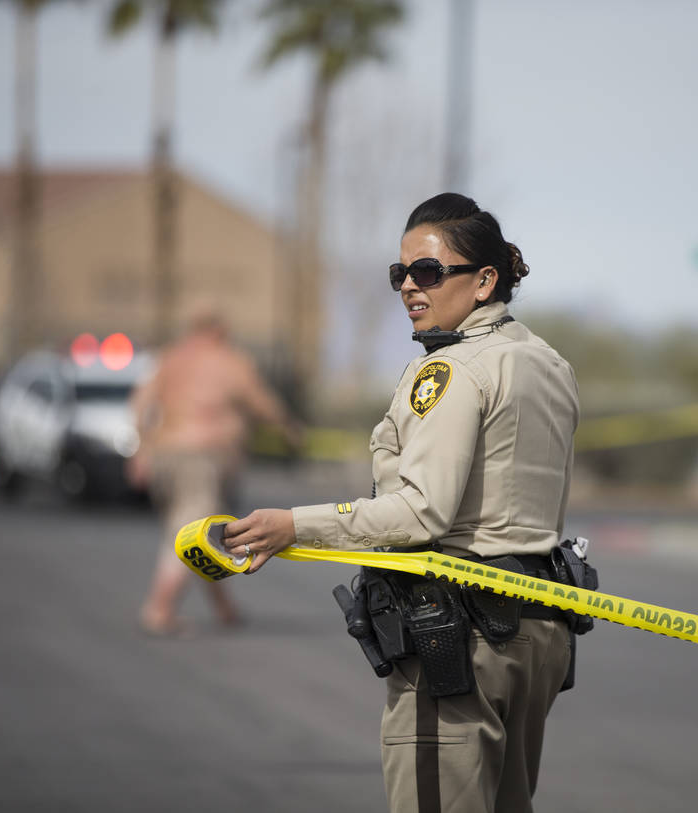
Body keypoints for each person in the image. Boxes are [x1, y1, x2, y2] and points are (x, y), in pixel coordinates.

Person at [221, 193, 583, 812]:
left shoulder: (451, 370)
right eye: (401, 273)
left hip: (463, 637)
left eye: (429, 272)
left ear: (485, 280)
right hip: (538, 631)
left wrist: (293, 527)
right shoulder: (549, 363)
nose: (410, 287)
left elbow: (420, 513)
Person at [129, 308, 301, 636]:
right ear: (218, 332)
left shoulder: (169, 358)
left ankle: (224, 608)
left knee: (208, 529)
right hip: (202, 459)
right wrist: (290, 427)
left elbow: (140, 402)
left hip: (165, 455)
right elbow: (260, 401)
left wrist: (140, 450)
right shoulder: (228, 361)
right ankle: (159, 608)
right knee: (188, 529)